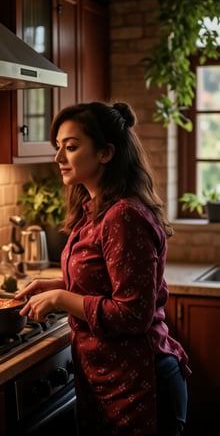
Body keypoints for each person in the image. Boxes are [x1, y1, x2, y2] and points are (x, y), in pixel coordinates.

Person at [15, 101, 191, 436]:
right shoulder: (94, 210)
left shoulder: (123, 216)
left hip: (141, 382)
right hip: (109, 380)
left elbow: (132, 313)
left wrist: (60, 299)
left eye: (71, 147)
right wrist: (56, 285)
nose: (58, 158)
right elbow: (106, 282)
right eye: (58, 147)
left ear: (105, 153)